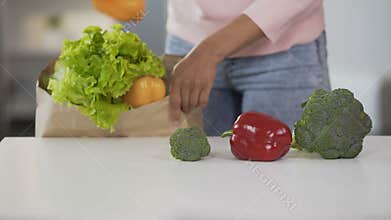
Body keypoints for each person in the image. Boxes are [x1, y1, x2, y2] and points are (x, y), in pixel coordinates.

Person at [166, 0, 331, 136]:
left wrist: (210, 51)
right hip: (189, 45)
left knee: (287, 172)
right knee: (196, 173)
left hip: (284, 51)